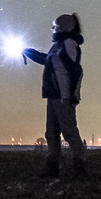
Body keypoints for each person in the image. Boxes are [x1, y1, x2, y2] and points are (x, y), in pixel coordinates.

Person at [21, 12, 87, 178]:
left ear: (63, 27)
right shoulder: (59, 45)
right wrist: (30, 53)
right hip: (53, 95)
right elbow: (49, 60)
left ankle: (81, 165)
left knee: (69, 131)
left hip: (63, 95)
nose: (53, 28)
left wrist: (71, 95)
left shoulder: (68, 44)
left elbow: (73, 69)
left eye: (55, 25)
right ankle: (52, 166)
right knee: (51, 132)